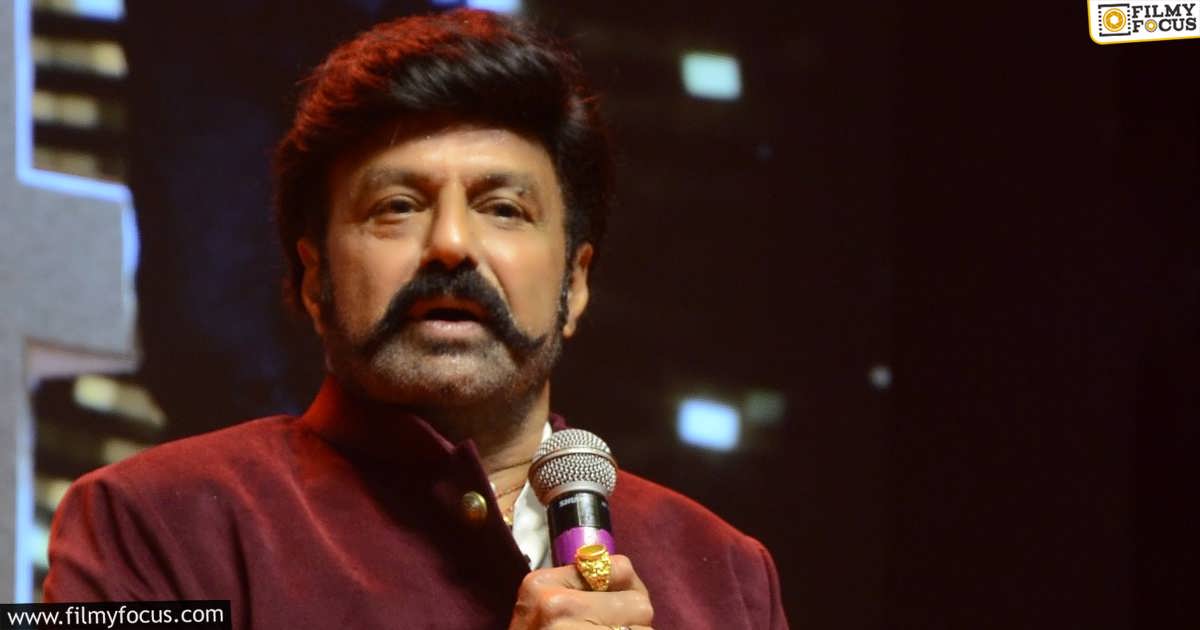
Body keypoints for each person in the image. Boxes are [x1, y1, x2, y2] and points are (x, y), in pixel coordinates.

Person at [43, 9, 788, 629]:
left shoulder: (727, 576)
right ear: (314, 279)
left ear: (576, 283)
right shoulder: (147, 525)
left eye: (504, 208)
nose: (451, 244)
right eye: (397, 206)